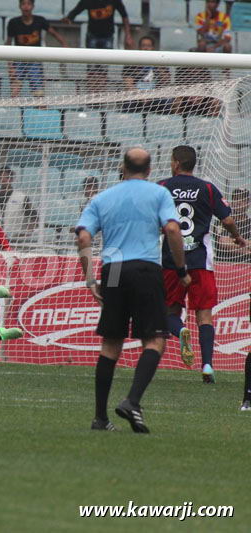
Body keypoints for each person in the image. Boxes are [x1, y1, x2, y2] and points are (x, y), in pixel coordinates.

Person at [76, 148, 190, 433]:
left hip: (113, 267)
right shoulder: (159, 193)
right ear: (150, 170)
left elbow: (84, 235)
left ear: (122, 168)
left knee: (111, 343)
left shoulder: (102, 197)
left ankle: (100, 418)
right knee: (154, 340)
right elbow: (174, 230)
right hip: (145, 268)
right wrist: (181, 270)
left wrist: (91, 279)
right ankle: (132, 401)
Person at [158, 145, 248, 383]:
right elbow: (227, 218)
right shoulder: (207, 188)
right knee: (204, 315)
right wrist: (237, 236)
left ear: (176, 163)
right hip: (201, 261)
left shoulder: (163, 187)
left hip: (171, 261)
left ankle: (180, 331)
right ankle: (207, 365)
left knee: (169, 311)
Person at [63, 0, 133, 93]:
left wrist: (128, 35)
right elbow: (76, 11)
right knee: (91, 66)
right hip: (92, 36)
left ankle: (101, 92)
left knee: (104, 66)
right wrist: (69, 18)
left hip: (108, 36)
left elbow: (124, 16)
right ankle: (91, 92)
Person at [7, 0, 69, 98]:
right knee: (15, 90)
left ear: (33, 6)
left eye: (28, 4)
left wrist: (64, 44)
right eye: (23, 4)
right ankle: (13, 110)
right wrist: (10, 66)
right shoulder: (13, 23)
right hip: (18, 60)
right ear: (19, 6)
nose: (26, 7)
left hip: (35, 60)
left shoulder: (40, 21)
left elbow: (54, 33)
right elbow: (8, 44)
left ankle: (40, 110)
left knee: (39, 93)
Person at [121, 35, 172, 113]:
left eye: (148, 46)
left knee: (167, 101)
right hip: (135, 96)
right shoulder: (131, 62)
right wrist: (141, 96)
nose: (146, 48)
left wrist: (158, 65)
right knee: (128, 102)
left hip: (155, 96)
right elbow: (129, 85)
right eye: (143, 46)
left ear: (153, 48)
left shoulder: (160, 62)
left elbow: (166, 81)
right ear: (139, 48)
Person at [0, 166, 38, 242]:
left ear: (11, 179)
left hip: (18, 239)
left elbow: (34, 217)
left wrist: (28, 232)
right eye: (1, 178)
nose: (3, 180)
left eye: (6, 178)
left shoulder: (21, 197)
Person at [215, 188, 251, 262]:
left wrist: (233, 242)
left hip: (246, 266)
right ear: (231, 202)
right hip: (223, 265)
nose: (238, 202)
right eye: (236, 199)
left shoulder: (249, 223)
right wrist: (247, 250)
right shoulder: (223, 221)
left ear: (248, 203)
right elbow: (223, 242)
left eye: (243, 200)